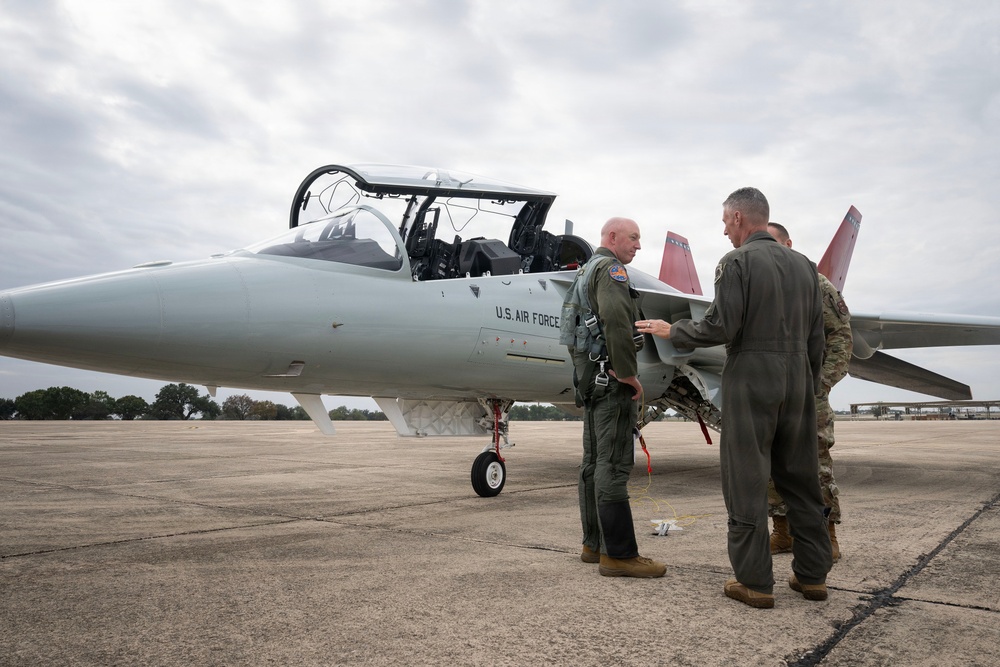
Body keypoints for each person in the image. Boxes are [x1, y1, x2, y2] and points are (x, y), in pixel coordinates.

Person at [635, 188, 832, 607]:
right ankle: (813, 577)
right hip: (799, 381)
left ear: (739, 217)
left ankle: (755, 583)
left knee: (746, 480)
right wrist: (806, 384)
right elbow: (818, 338)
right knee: (802, 480)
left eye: (726, 221)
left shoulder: (736, 262)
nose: (725, 230)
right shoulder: (805, 267)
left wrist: (673, 331)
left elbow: (721, 326)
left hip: (751, 379)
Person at [559, 217, 666, 578]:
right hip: (611, 383)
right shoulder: (611, 271)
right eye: (633, 238)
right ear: (613, 237)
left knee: (593, 463)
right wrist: (628, 373)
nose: (638, 245)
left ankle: (593, 545)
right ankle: (619, 554)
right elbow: (617, 321)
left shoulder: (585, 271)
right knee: (614, 465)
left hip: (591, 382)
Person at [765, 222, 852, 562]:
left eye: (773, 243)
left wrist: (820, 384)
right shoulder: (760, 285)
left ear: (788, 244)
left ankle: (827, 536)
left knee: (816, 468)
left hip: (809, 395)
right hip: (772, 393)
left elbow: (841, 336)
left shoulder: (816, 284)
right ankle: (783, 532)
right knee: (772, 466)